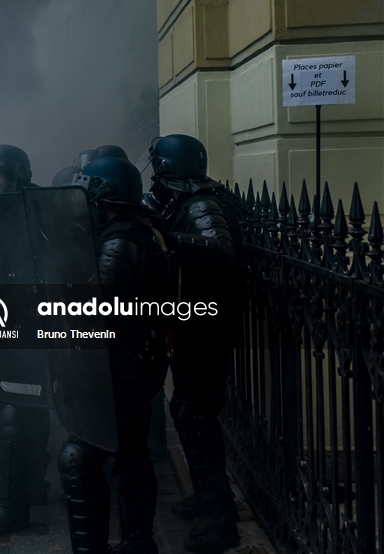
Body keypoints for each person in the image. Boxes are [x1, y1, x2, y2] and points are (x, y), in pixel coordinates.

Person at [57, 156, 169, 554]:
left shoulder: (122, 239)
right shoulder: (122, 230)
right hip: (130, 360)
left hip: (121, 365)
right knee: (129, 452)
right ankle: (139, 542)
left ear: (106, 194)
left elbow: (98, 304)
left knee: (80, 455)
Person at [146, 134, 245, 554]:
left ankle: (219, 520)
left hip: (209, 326)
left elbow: (221, 250)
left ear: (169, 169)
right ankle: (209, 498)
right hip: (197, 320)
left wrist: (167, 239)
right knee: (188, 410)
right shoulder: (187, 201)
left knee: (193, 412)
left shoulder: (201, 203)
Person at [0, 144, 52, 538]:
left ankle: (13, 504)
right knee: (21, 408)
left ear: (19, 176)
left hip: (34, 321)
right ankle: (32, 485)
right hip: (3, 318)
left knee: (21, 412)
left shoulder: (37, 210)